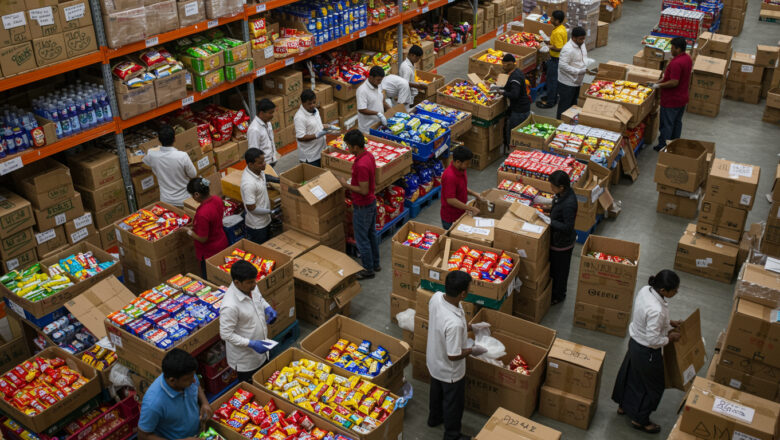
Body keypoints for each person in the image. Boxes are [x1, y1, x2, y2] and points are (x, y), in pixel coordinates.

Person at [612, 270, 682, 434]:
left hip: (634, 344)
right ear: (663, 290)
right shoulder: (656, 310)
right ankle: (640, 420)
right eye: (674, 290)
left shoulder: (646, 290)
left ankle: (623, 406)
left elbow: (648, 318)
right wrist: (670, 338)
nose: (676, 292)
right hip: (647, 351)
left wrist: (669, 323)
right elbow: (653, 339)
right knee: (654, 386)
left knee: (632, 377)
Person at [426, 271, 489, 440]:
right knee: (453, 403)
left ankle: (434, 419)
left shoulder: (437, 297)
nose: (469, 291)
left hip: (434, 360)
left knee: (436, 393)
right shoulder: (453, 324)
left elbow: (444, 326)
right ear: (462, 293)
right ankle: (452, 435)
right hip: (450, 371)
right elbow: (453, 355)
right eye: (469, 288)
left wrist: (472, 327)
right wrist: (473, 350)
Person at [220, 260, 278, 383]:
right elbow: (226, 334)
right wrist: (251, 344)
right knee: (253, 386)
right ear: (237, 282)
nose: (254, 284)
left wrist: (267, 308)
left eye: (254, 280)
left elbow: (259, 299)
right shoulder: (229, 306)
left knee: (267, 380)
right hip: (246, 360)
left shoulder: (251, 287)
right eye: (250, 282)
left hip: (263, 348)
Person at [138, 349, 212, 440]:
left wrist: (204, 403)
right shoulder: (153, 404)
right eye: (188, 379)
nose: (194, 380)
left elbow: (196, 385)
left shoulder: (187, 374)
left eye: (193, 375)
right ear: (172, 380)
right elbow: (143, 436)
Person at [338, 130, 379, 280]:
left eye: (348, 146)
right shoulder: (369, 156)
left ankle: (368, 269)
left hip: (363, 206)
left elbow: (363, 190)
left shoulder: (361, 165)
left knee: (362, 240)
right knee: (371, 235)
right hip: (371, 203)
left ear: (355, 147)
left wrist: (345, 185)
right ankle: (375, 263)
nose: (347, 148)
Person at [651, 37, 692, 151]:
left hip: (671, 100)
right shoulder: (687, 58)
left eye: (672, 48)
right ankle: (674, 144)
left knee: (667, 124)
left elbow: (674, 82)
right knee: (677, 123)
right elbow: (669, 78)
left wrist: (658, 86)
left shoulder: (676, 63)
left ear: (678, 49)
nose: (671, 50)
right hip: (682, 98)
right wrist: (657, 82)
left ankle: (663, 146)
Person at [543, 170, 577, 305]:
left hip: (562, 244)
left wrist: (550, 221)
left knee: (560, 272)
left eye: (553, 186)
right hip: (555, 239)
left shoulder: (569, 204)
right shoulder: (561, 195)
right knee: (554, 269)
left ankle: (558, 296)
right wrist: (547, 210)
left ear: (562, 187)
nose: (551, 188)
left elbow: (568, 227)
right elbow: (557, 209)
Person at [142, 125, 197, 208]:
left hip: (166, 201)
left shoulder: (152, 155)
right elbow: (193, 174)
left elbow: (144, 161)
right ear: (174, 139)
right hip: (184, 200)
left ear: (159, 140)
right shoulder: (182, 156)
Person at [185, 177, 228, 277]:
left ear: (197, 194)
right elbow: (214, 220)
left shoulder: (203, 213)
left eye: (192, 195)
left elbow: (203, 239)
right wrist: (195, 225)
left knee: (209, 277)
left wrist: (188, 231)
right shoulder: (217, 199)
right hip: (222, 242)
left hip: (209, 252)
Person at [440, 146, 482, 229]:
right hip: (451, 218)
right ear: (458, 162)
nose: (468, 166)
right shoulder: (450, 176)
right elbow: (450, 200)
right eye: (467, 164)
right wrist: (471, 208)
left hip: (460, 213)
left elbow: (461, 187)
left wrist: (475, 194)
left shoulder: (461, 169)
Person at [494, 54, 531, 150]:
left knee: (513, 134)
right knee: (519, 132)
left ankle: (513, 152)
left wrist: (502, 92)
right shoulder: (517, 71)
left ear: (510, 64)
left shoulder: (515, 77)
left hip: (519, 110)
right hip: (522, 108)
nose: (503, 67)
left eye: (504, 65)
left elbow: (514, 94)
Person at [241, 149, 273, 245]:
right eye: (260, 163)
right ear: (251, 164)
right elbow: (251, 208)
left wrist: (279, 180)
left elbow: (265, 176)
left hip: (266, 220)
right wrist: (270, 212)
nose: (264, 164)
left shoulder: (257, 170)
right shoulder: (248, 183)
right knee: (262, 249)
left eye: (264, 161)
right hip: (258, 226)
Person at [557, 26, 590, 120]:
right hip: (567, 82)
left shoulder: (581, 44)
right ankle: (560, 122)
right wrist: (578, 71)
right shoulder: (568, 49)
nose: (583, 41)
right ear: (574, 38)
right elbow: (562, 65)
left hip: (577, 80)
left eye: (584, 38)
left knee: (573, 104)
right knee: (565, 105)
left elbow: (583, 56)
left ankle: (570, 122)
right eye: (581, 39)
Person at [537, 10, 567, 109]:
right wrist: (547, 41)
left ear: (557, 20)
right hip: (559, 58)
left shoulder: (558, 32)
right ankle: (553, 97)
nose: (551, 19)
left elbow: (559, 47)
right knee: (554, 80)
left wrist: (546, 47)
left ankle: (550, 102)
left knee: (551, 81)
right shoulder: (561, 28)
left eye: (553, 18)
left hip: (555, 59)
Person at [294, 89, 328, 167]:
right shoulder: (299, 117)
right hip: (311, 157)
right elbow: (300, 137)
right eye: (309, 103)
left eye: (314, 102)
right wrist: (317, 135)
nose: (312, 105)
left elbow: (315, 125)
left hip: (321, 151)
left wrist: (327, 127)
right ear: (303, 103)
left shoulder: (315, 110)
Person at [356, 66, 390, 134]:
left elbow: (382, 98)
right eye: (378, 80)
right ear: (371, 77)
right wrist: (378, 114)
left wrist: (390, 110)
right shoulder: (362, 90)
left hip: (378, 125)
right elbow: (361, 109)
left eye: (381, 80)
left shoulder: (378, 84)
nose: (380, 82)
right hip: (367, 129)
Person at [248, 98, 279, 167]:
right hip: (263, 165)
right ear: (261, 113)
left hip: (272, 161)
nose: (272, 115)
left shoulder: (268, 123)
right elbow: (253, 152)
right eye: (270, 113)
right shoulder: (254, 130)